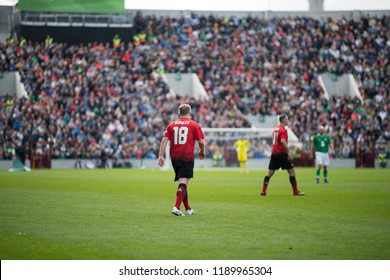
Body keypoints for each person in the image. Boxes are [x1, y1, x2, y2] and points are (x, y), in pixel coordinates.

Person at [157, 104, 206, 216]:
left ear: (179, 113)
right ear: (190, 112)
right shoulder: (194, 125)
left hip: (174, 157)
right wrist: (202, 151)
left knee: (182, 182)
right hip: (186, 156)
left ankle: (188, 208)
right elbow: (202, 142)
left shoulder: (171, 125)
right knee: (183, 182)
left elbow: (164, 140)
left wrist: (161, 155)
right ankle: (176, 207)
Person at [261, 115, 304, 196]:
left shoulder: (275, 129)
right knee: (291, 171)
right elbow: (283, 141)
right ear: (283, 120)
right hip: (281, 154)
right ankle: (295, 191)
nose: (288, 121)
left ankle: (263, 191)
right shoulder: (283, 130)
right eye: (287, 119)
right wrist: (288, 151)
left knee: (269, 173)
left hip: (274, 153)